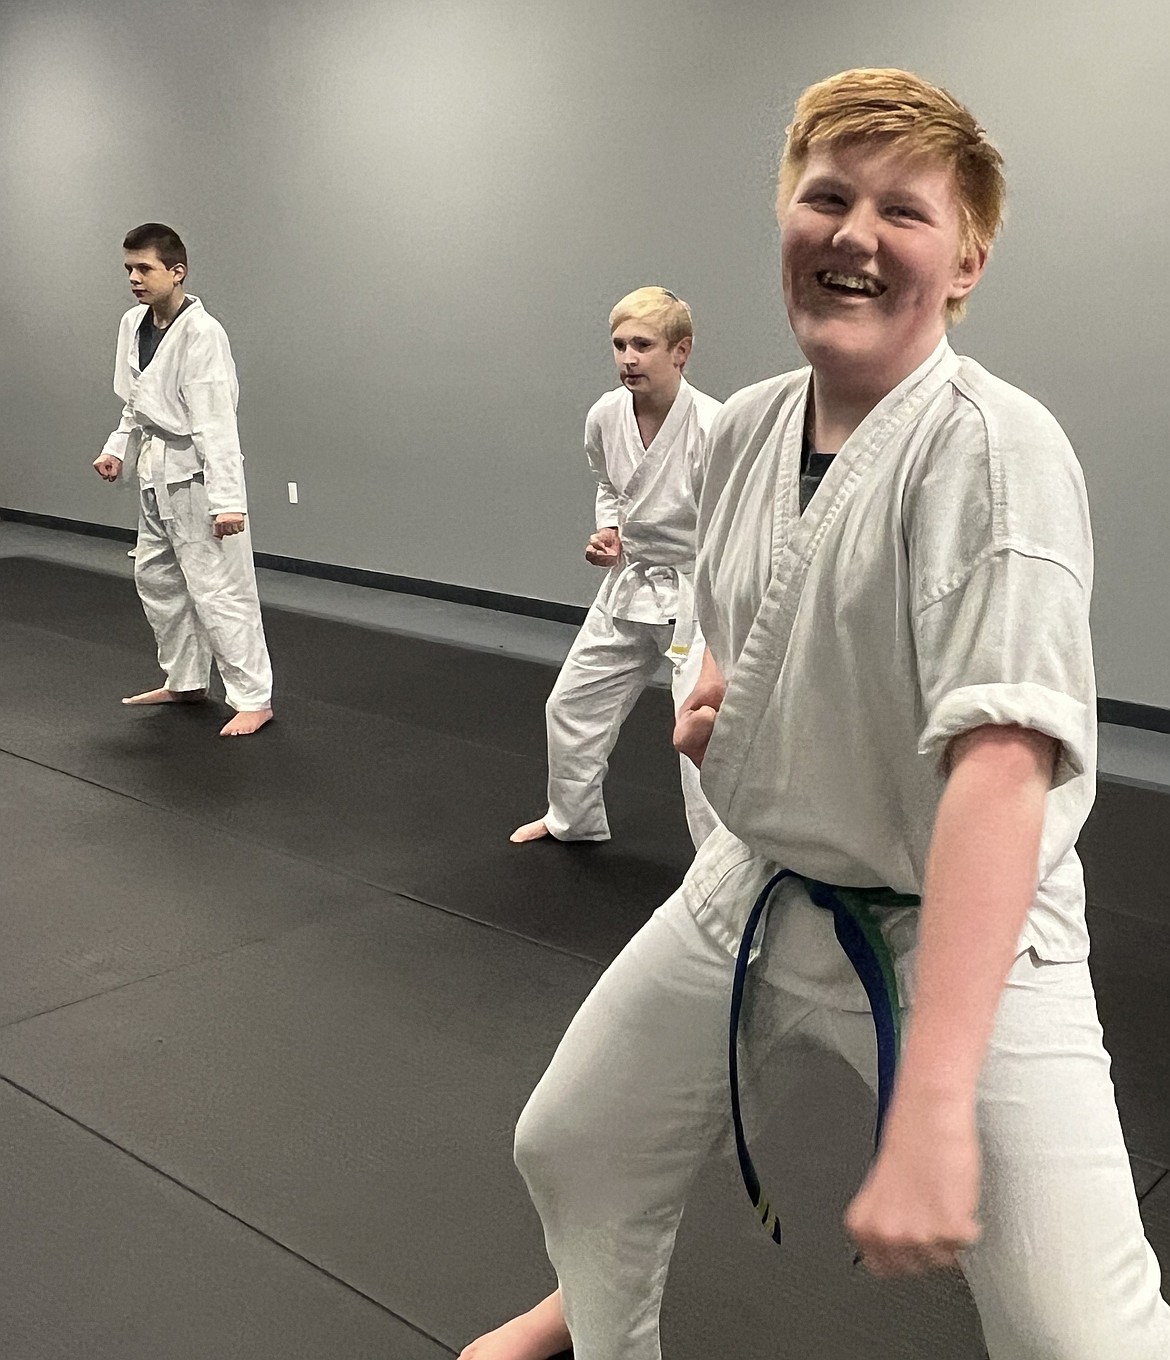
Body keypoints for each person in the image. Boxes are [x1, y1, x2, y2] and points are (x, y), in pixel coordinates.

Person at [485, 69, 1170, 1360]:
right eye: (826, 197)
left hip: (957, 926)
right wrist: (713, 689)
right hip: (757, 876)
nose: (854, 234)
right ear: (784, 225)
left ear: (962, 260)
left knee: (1079, 1340)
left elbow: (1001, 766)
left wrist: (936, 1099)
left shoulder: (992, 449)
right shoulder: (748, 426)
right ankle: (593, 1313)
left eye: (901, 212)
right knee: (569, 1141)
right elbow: (743, 603)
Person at [510, 287, 721, 849]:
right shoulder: (605, 415)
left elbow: (732, 530)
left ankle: (718, 871)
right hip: (629, 584)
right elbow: (610, 486)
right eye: (620, 345)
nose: (628, 357)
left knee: (698, 732)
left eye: (643, 345)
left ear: (681, 351)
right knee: (571, 704)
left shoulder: (711, 426)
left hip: (697, 593)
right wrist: (610, 533)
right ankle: (571, 818)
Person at [93, 223, 274, 738]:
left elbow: (216, 421)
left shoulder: (203, 333)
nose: (134, 278)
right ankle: (186, 680)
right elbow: (137, 399)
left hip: (197, 476)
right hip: (155, 474)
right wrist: (116, 447)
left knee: (219, 590)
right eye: (129, 268)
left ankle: (253, 697)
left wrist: (227, 503)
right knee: (157, 579)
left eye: (144, 268)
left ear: (177, 272)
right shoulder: (134, 323)